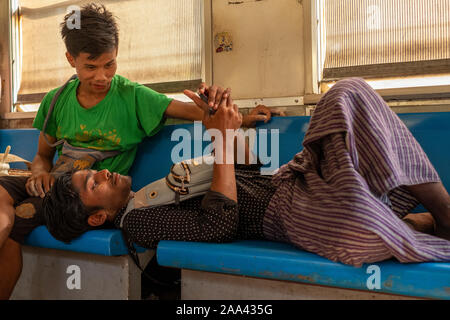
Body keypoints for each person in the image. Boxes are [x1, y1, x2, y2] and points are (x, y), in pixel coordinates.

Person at [0, 3, 276, 299]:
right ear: (71, 59)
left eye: (110, 65)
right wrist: (40, 173)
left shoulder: (133, 97)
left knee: (20, 220)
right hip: (54, 181)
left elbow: (197, 112)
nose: (102, 76)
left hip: (81, 200)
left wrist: (244, 117)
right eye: (90, 67)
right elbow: (42, 155)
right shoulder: (56, 101)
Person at [42, 78, 450, 271]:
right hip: (289, 214)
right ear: (97, 217)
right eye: (91, 184)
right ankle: (408, 223)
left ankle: (442, 216)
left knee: (348, 92)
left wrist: (225, 125)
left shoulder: (150, 190)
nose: (102, 173)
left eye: (94, 172)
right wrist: (220, 141)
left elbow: (247, 171)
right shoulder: (140, 221)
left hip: (293, 178)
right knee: (357, 237)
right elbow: (220, 224)